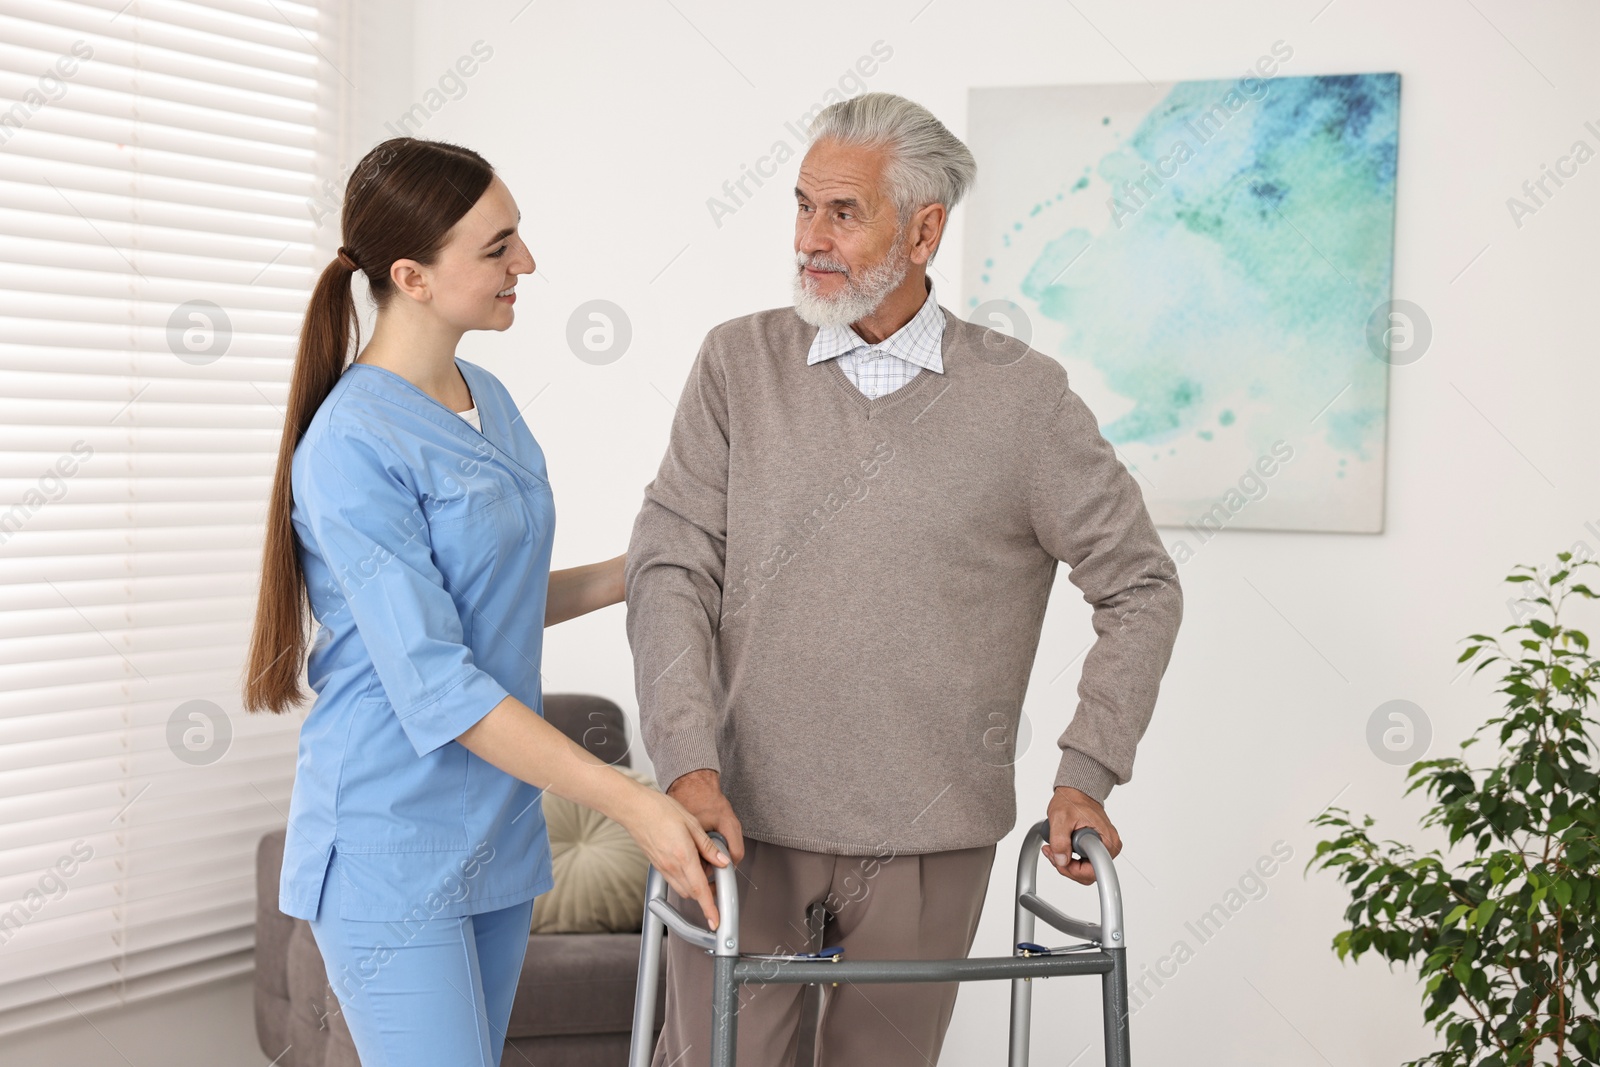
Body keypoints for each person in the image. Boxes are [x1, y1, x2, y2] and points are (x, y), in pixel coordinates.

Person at [625, 92, 1184, 1065]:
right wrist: (685, 759)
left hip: (929, 834)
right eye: (801, 206)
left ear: (923, 230)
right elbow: (670, 562)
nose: (809, 236)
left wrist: (1086, 770)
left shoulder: (1021, 397)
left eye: (842, 212)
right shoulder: (736, 363)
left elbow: (1138, 582)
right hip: (736, 817)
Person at [242, 136, 725, 1067]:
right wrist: (634, 802)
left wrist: (656, 560)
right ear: (412, 277)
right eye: (498, 246)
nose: (527, 264)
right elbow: (440, 685)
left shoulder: (488, 397)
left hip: (495, 831)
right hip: (392, 845)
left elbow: (492, 601)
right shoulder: (349, 446)